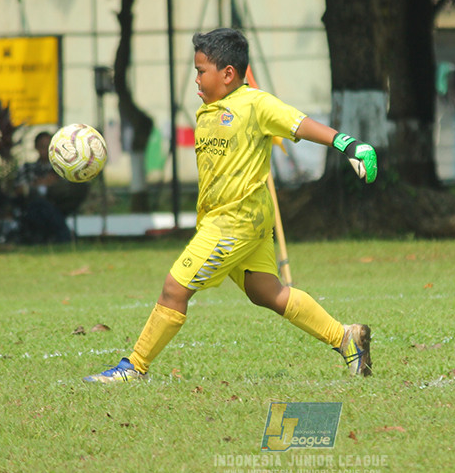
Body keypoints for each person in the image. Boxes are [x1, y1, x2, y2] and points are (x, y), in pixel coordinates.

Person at [84, 28, 379, 382]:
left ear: (227, 74)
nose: (196, 79)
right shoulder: (206, 111)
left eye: (201, 71)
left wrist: (347, 144)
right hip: (240, 221)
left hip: (233, 223)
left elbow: (299, 124)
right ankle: (345, 338)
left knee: (175, 288)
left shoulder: (256, 103)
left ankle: (134, 366)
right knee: (266, 292)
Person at [14, 131, 74, 244]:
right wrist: (43, 185)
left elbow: (67, 189)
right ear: (36, 147)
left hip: (57, 205)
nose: (46, 150)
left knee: (46, 208)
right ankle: (64, 237)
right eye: (42, 146)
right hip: (32, 206)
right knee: (40, 206)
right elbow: (20, 189)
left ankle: (54, 237)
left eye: (48, 147)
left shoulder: (60, 169)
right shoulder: (27, 168)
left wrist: (40, 186)